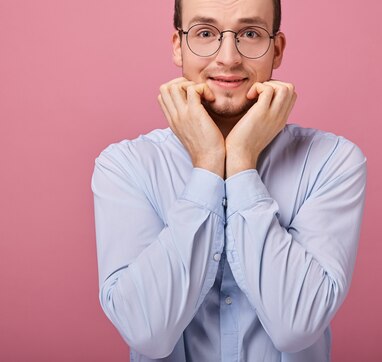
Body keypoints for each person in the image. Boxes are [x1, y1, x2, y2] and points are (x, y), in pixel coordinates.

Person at [91, 0, 367, 360]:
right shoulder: (125, 166)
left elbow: (296, 326)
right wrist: (208, 165)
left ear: (277, 49)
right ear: (178, 46)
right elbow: (148, 334)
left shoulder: (333, 161)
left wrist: (240, 163)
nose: (228, 57)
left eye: (250, 34)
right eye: (205, 33)